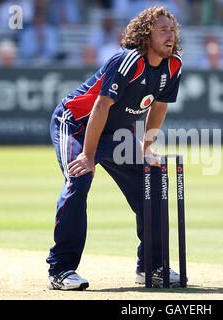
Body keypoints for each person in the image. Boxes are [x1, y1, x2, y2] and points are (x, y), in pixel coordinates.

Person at [46, 6, 184, 290]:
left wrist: (146, 149)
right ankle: (61, 270)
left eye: (172, 30)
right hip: (76, 124)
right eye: (162, 30)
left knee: (154, 178)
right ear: (147, 35)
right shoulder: (128, 61)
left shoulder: (173, 66)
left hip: (117, 133)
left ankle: (152, 267)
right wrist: (87, 155)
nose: (170, 35)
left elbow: (158, 108)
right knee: (79, 178)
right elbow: (100, 106)